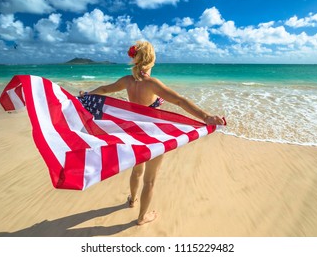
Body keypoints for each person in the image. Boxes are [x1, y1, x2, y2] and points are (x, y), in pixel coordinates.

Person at [79, 41, 225, 225]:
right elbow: (180, 101)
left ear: (134, 58)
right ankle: (142, 218)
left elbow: (105, 90)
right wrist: (206, 116)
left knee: (136, 170)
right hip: (153, 135)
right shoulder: (152, 83)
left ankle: (132, 200)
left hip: (133, 132)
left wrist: (87, 95)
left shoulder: (127, 81)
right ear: (152, 60)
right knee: (150, 180)